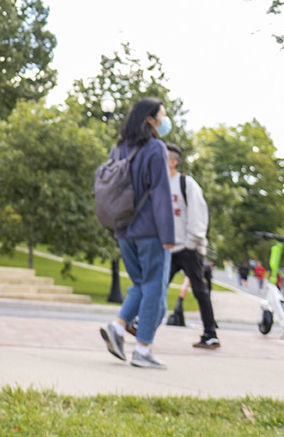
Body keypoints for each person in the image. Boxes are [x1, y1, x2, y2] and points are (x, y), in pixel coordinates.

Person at [98, 97, 176, 370]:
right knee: (154, 289)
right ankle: (142, 349)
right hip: (151, 231)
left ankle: (118, 328)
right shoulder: (156, 148)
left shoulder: (119, 149)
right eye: (162, 114)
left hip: (124, 229)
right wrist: (169, 235)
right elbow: (161, 194)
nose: (166, 119)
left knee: (141, 285)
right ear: (150, 119)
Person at [165, 143, 220, 348]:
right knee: (157, 287)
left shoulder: (186, 183)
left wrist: (192, 243)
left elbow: (198, 214)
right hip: (169, 249)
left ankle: (210, 333)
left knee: (199, 290)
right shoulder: (160, 184)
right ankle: (140, 323)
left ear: (173, 162)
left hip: (189, 249)